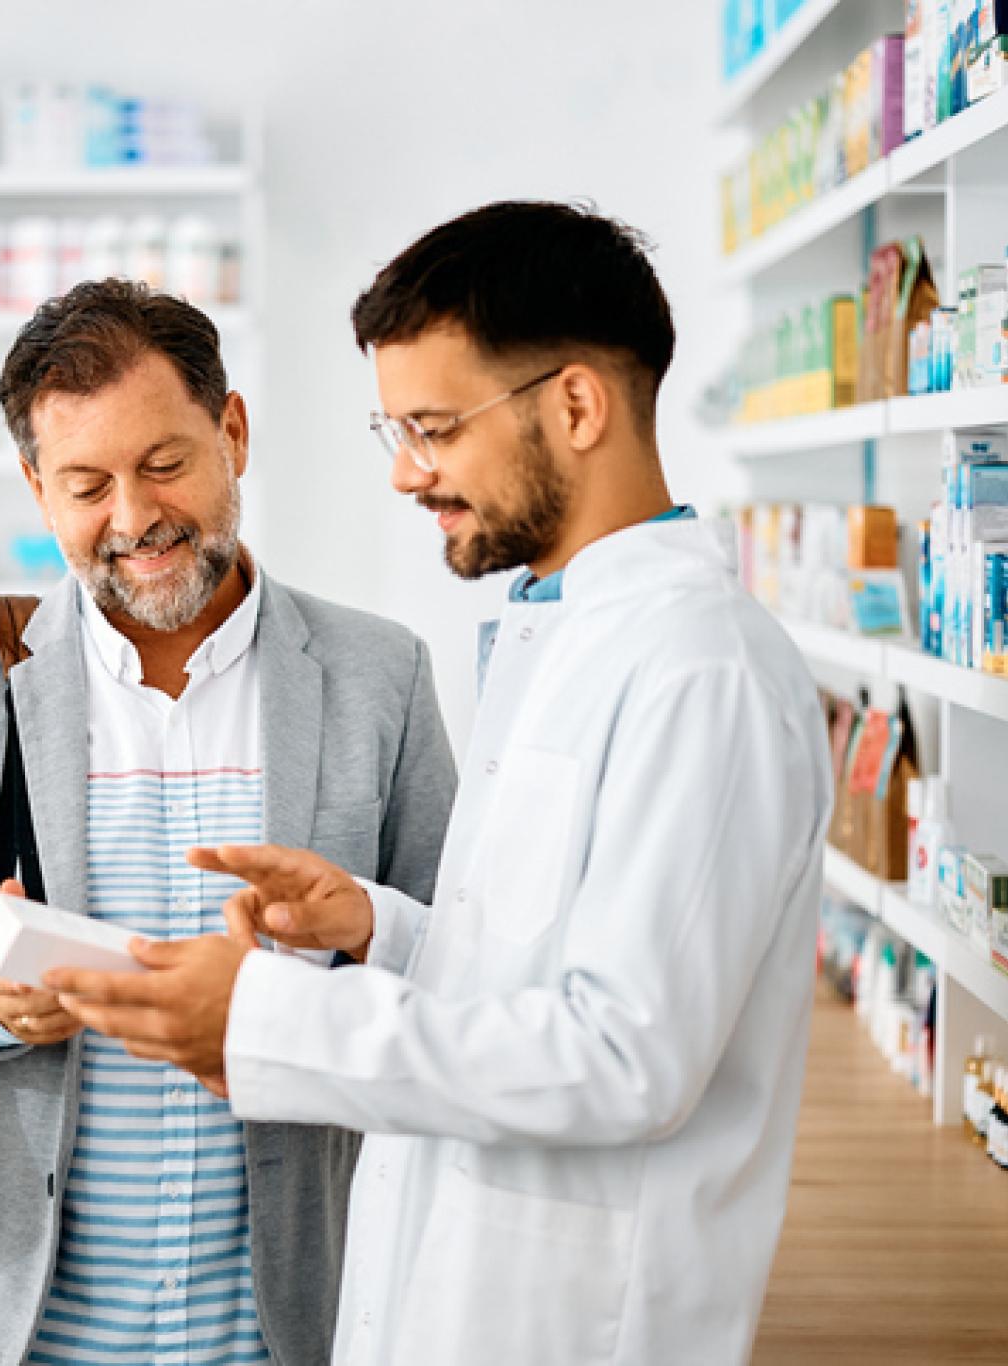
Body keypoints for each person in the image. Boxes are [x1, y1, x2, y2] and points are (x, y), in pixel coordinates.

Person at [46, 202, 834, 1365]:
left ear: (573, 405)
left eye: (433, 426)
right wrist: (379, 927)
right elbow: (531, 973)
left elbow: (625, 1056)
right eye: (394, 430)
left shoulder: (700, 670)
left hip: (573, 1322)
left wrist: (263, 1015)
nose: (409, 473)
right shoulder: (557, 630)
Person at [0, 278, 458, 1366]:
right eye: (85, 484)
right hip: (21, 1329)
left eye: (164, 464)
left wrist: (348, 934)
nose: (134, 518)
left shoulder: (375, 673)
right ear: (35, 487)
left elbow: (450, 947)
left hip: (286, 1321)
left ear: (232, 432)